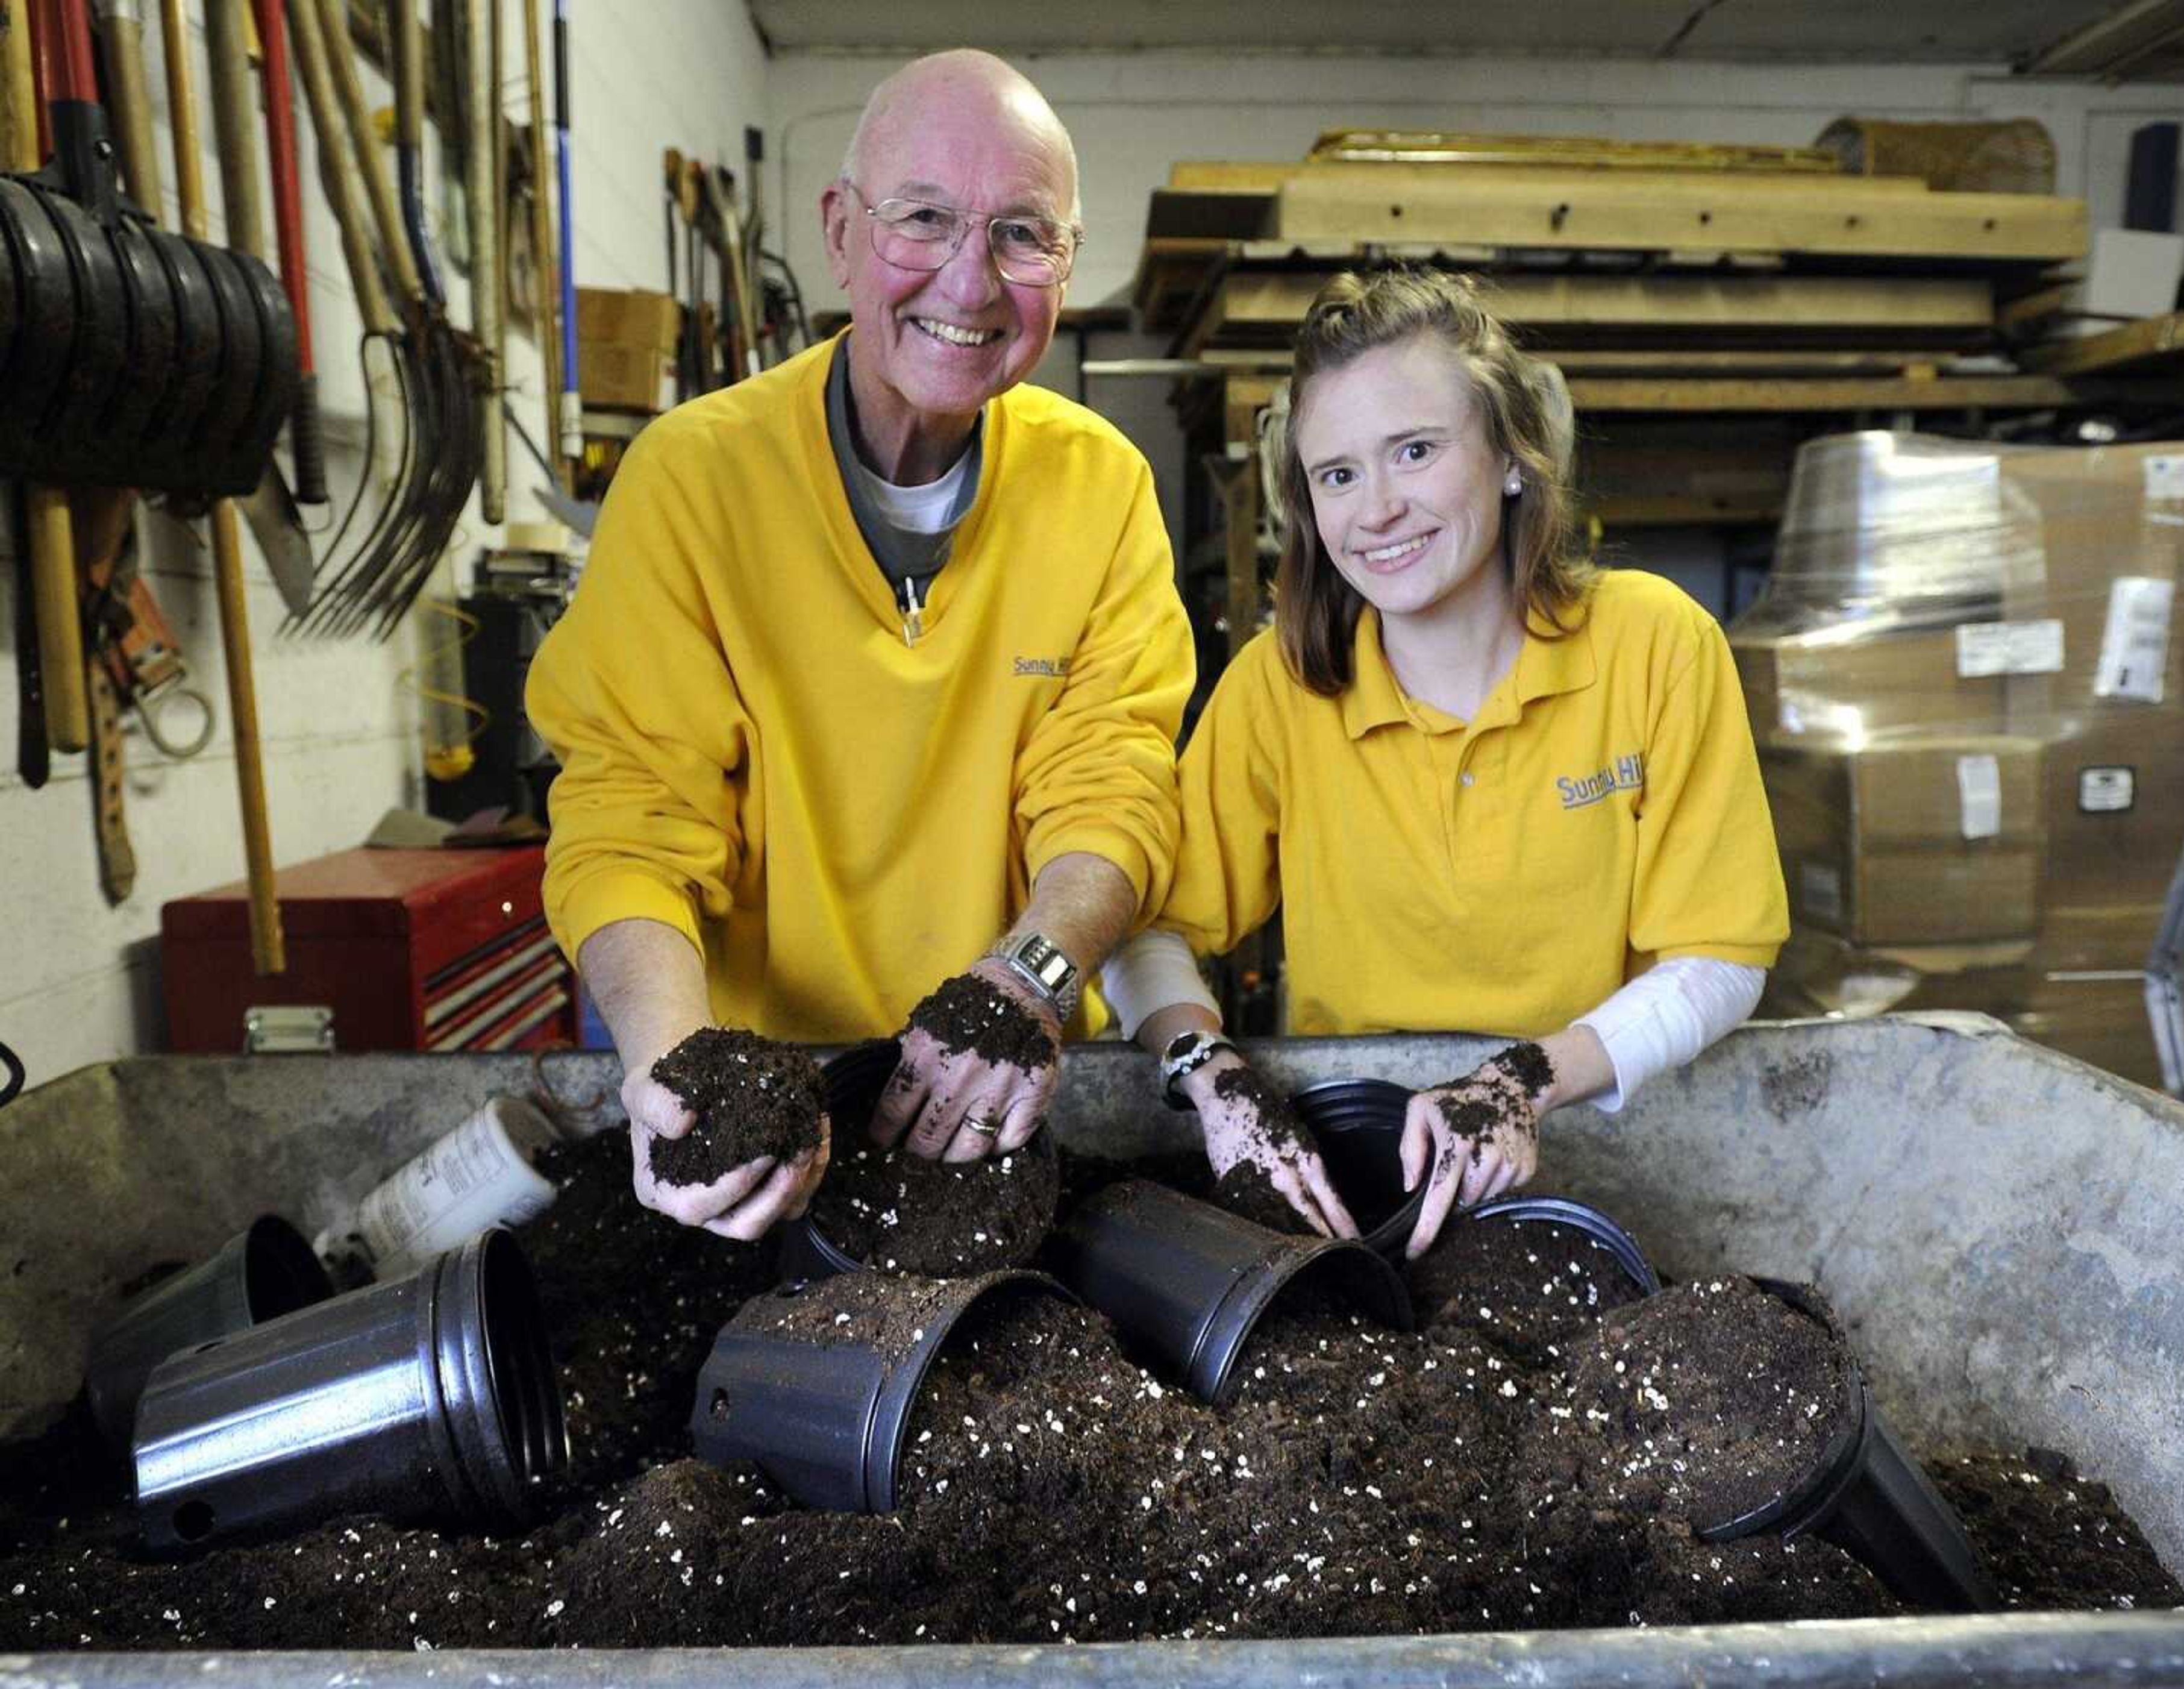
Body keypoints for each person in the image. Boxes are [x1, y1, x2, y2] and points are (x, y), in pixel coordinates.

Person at [528, 51, 1194, 1240]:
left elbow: (1113, 788)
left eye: (1022, 235)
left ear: (1068, 264)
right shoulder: (693, 480)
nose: (971, 280)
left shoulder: (1103, 490)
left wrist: (1028, 982)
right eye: (923, 218)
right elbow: (630, 817)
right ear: (841, 233)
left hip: (1003, 1116)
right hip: (766, 1120)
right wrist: (688, 1084)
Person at [1103, 268, 1786, 1256]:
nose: (1376, 509)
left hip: (1607, 1155)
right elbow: (1148, 926)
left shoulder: (1653, 646)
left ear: (1512, 457)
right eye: (1338, 475)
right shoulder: (1282, 688)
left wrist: (1522, 1083)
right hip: (1361, 1178)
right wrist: (1214, 1080)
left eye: (1414, 452)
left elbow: (1722, 957)